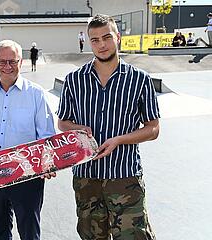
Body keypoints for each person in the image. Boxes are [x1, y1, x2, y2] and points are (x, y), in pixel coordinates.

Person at [57, 14, 160, 239]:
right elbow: (62, 122)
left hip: (124, 176)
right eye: (95, 40)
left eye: (106, 37)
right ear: (88, 42)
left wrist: (119, 140)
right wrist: (77, 129)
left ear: (118, 38)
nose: (101, 44)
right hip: (87, 178)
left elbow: (153, 128)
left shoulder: (140, 80)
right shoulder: (74, 80)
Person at [0, 39, 56, 240]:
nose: (7, 67)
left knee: (29, 232)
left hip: (28, 174)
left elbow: (46, 134)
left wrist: (47, 161)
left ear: (21, 62)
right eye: (2, 62)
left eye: (12, 61)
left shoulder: (36, 93)